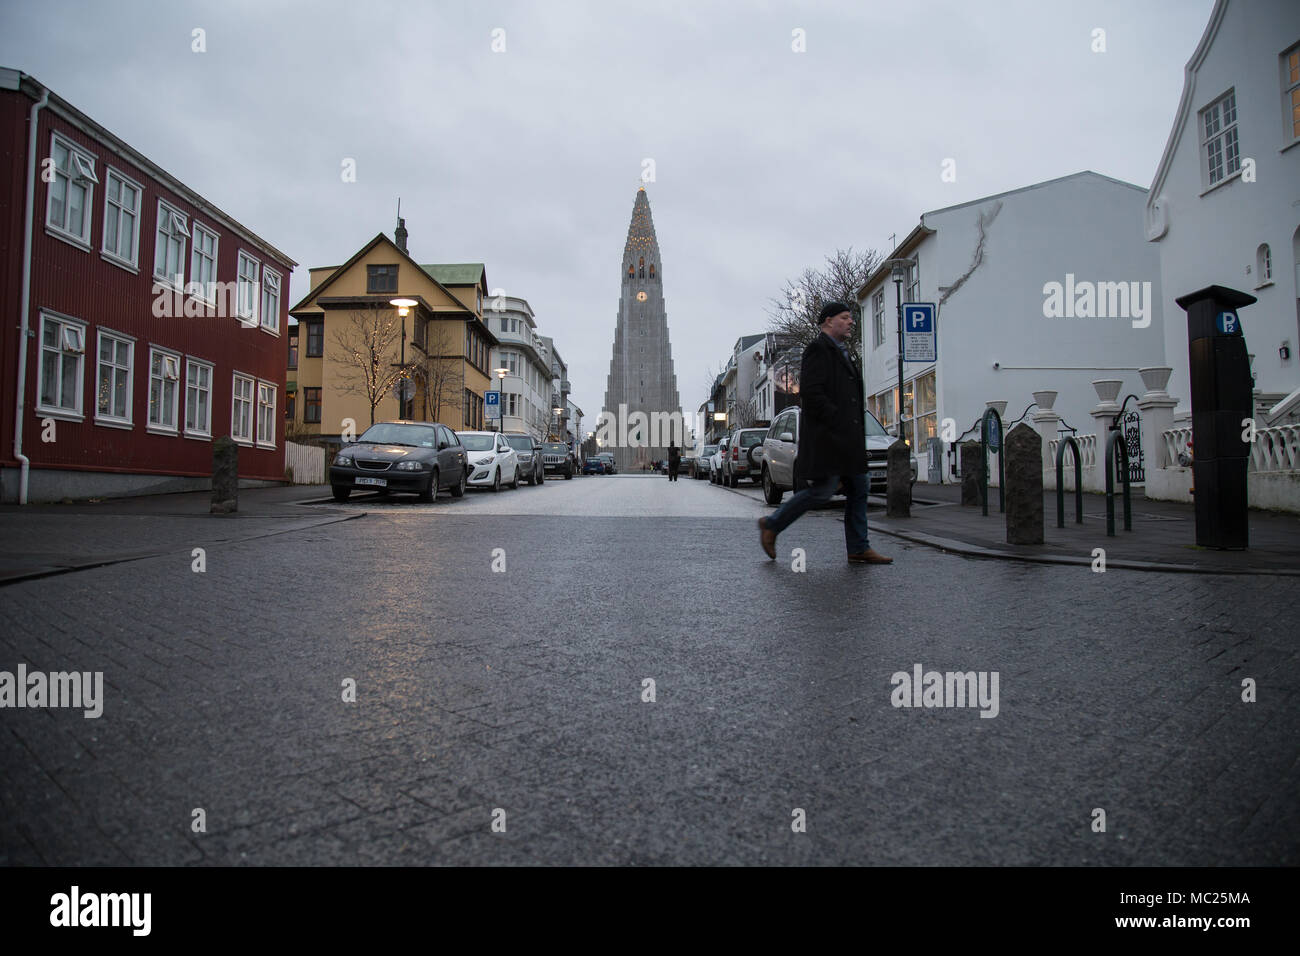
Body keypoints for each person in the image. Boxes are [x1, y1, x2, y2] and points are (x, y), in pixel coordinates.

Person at [757, 301, 892, 564]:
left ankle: (858, 547)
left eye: (851, 318)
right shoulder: (818, 349)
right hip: (829, 439)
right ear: (828, 321)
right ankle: (772, 525)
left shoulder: (842, 352)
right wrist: (838, 419)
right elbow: (812, 393)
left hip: (848, 440)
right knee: (822, 491)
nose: (851, 321)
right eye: (845, 317)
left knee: (860, 486)